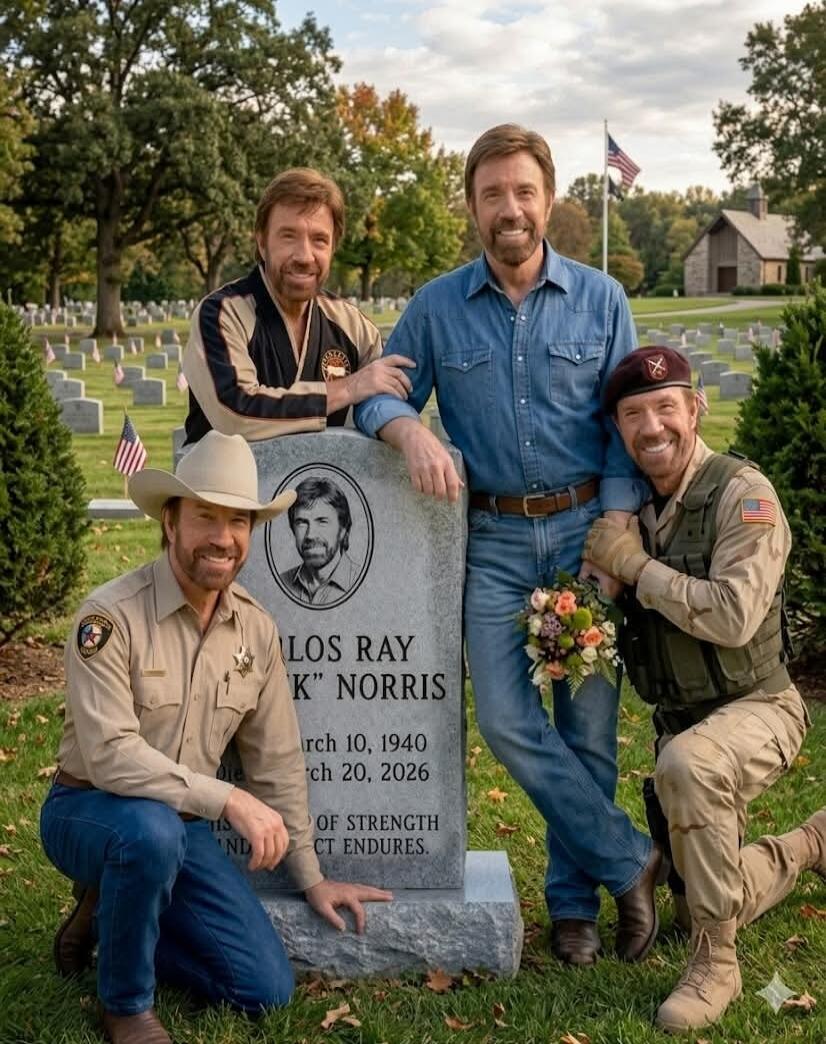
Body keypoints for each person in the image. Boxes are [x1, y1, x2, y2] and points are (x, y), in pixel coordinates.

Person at [355, 124, 662, 967]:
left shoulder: (602, 301)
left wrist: (618, 526)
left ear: (549, 200)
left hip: (583, 534)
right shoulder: (436, 305)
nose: (509, 209)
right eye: (492, 194)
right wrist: (405, 433)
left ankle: (575, 911)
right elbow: (377, 397)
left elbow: (624, 427)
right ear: (473, 208)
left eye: (523, 192)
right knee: (504, 719)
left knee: (589, 731)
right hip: (490, 538)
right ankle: (630, 857)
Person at [40, 431, 391, 1044]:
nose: (222, 537)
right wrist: (229, 800)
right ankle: (124, 1006)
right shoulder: (109, 617)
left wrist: (311, 877)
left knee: (263, 988)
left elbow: (276, 758)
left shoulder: (256, 630)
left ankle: (109, 917)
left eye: (238, 521)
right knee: (146, 835)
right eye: (205, 516)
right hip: (88, 810)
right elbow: (110, 756)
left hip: (180, 828)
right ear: (170, 521)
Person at [583, 345, 825, 1033]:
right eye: (633, 415)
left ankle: (716, 964)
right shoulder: (636, 513)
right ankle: (808, 846)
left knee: (686, 768)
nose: (652, 427)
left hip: (759, 707)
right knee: (700, 893)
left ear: (696, 408)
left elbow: (733, 614)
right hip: (684, 722)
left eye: (666, 407)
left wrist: (634, 567)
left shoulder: (742, 496)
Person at [182, 167, 414, 444]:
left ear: (333, 247)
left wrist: (412, 435)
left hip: (324, 486)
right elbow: (236, 415)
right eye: (288, 236)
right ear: (262, 241)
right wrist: (350, 387)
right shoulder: (222, 314)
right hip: (224, 486)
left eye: (319, 240)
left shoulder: (353, 327)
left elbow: (383, 402)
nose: (305, 256)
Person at [278, 476, 359, 606]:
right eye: (301, 523)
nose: (310, 535)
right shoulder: (280, 583)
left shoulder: (363, 584)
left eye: (322, 521)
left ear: (343, 530)